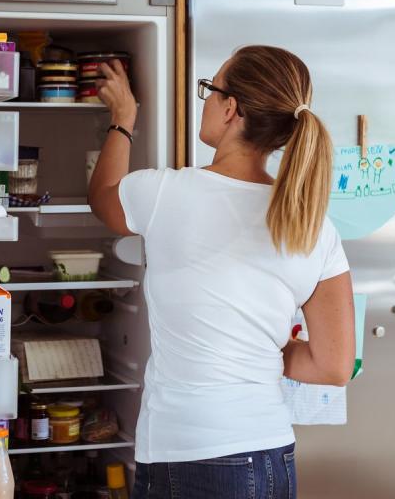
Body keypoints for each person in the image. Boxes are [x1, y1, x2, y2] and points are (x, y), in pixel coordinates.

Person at [88, 45, 355, 499]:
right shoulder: (314, 225)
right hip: (274, 453)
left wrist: (123, 116)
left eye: (210, 89)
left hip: (193, 453)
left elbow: (104, 197)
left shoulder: (168, 194)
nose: (206, 100)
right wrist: (258, 346)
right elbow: (333, 367)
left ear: (231, 108)